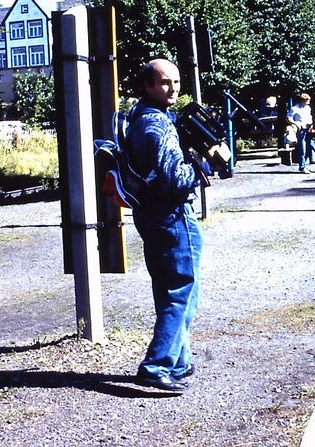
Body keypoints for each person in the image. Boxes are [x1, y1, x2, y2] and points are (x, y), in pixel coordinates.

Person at [128, 58, 207, 393]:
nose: (173, 88)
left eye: (176, 82)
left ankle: (177, 359)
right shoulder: (157, 125)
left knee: (167, 288)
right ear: (148, 86)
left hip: (150, 214)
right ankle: (156, 365)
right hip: (172, 215)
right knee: (181, 287)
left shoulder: (138, 117)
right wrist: (201, 166)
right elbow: (175, 179)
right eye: (164, 83)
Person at [287, 92, 315, 173]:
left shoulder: (308, 108)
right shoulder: (294, 108)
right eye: (307, 101)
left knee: (309, 146)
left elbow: (310, 118)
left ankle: (304, 165)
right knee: (303, 149)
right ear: (303, 101)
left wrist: (312, 125)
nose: (308, 102)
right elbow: (288, 118)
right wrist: (295, 124)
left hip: (308, 129)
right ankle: (302, 167)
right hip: (301, 130)